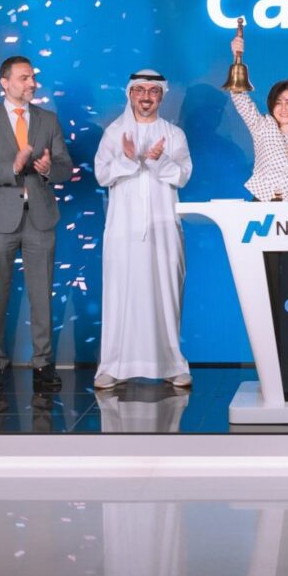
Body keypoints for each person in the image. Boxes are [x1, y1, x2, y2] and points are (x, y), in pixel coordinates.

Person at [0, 56, 71, 390]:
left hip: (40, 217)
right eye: (24, 78)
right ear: (5, 82)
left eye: (33, 77)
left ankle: (43, 363)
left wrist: (47, 169)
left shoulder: (48, 120)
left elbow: (65, 168)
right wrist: (13, 167)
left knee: (42, 294)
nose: (32, 83)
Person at [93, 69, 193, 389]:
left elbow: (182, 176)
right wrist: (128, 159)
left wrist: (157, 160)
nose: (146, 97)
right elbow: (101, 175)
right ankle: (113, 366)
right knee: (120, 294)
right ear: (130, 94)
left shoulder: (174, 135)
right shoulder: (114, 133)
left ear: (161, 96)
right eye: (140, 90)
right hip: (123, 229)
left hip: (163, 229)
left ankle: (171, 364)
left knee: (166, 293)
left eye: (153, 91)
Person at [226, 32, 288, 201]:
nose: (283, 108)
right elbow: (239, 97)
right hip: (262, 206)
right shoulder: (263, 126)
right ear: (272, 106)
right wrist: (236, 57)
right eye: (278, 102)